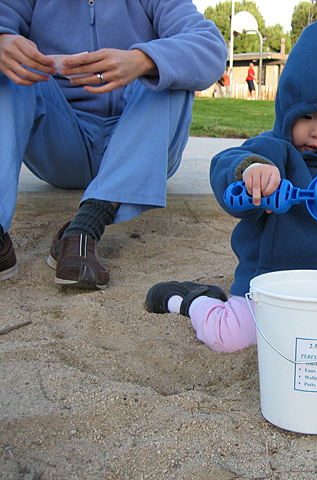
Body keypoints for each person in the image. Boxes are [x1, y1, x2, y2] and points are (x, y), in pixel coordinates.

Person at [145, 17, 317, 354]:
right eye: (306, 117)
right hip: (268, 296)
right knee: (227, 337)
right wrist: (250, 173)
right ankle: (193, 301)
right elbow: (226, 166)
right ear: (287, 109)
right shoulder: (274, 154)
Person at [0, 0, 228, 289]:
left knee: (167, 68)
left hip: (142, 140)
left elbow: (211, 47)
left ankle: (86, 227)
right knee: (6, 69)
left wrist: (143, 60)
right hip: (61, 144)